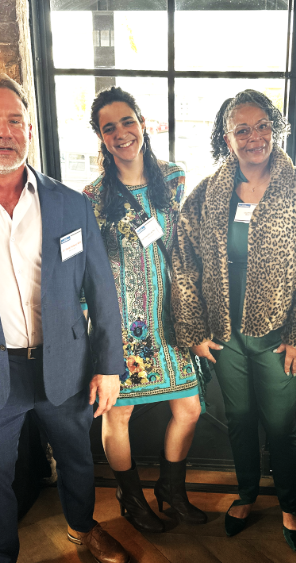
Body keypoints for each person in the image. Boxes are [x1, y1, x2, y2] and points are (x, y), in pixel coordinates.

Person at [0, 74, 131, 563]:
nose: (4, 131)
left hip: (65, 365)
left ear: (30, 130)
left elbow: (101, 291)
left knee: (78, 460)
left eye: (15, 121)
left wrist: (109, 366)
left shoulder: (70, 205)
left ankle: (83, 528)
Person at [171, 89, 296, 552]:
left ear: (276, 128)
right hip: (225, 339)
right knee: (240, 421)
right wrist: (195, 332)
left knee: (282, 426)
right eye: (241, 128)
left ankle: (289, 502)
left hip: (277, 338)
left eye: (262, 125)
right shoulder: (206, 194)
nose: (253, 137)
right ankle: (245, 494)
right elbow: (184, 265)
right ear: (226, 138)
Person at [84, 86, 205, 533]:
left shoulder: (173, 178)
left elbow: (188, 249)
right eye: (108, 127)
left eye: (127, 121)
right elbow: (86, 269)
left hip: (171, 318)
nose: (121, 133)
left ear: (142, 123)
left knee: (189, 408)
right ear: (101, 137)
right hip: (123, 325)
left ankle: (171, 491)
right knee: (119, 413)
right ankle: (131, 498)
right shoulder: (94, 195)